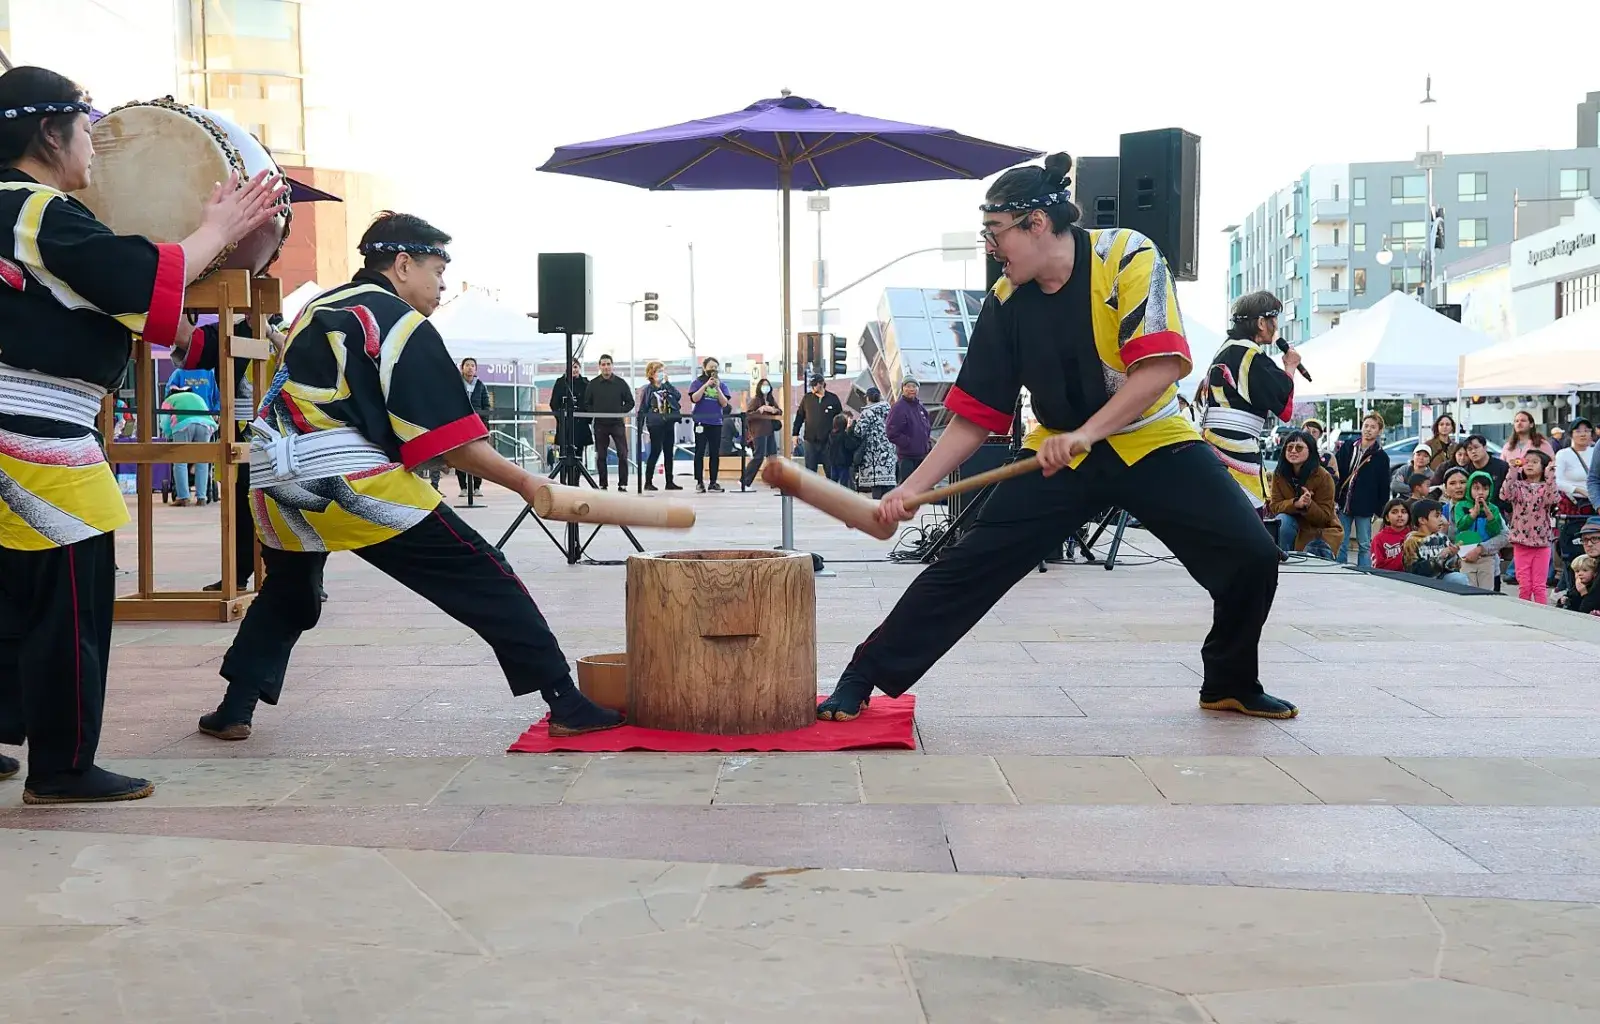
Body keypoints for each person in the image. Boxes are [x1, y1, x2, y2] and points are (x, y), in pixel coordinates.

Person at [817, 152, 1293, 723]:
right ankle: (863, 675)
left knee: (1252, 555)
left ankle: (1230, 680)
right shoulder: (1006, 300)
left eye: (997, 234)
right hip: (1060, 454)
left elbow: (1161, 368)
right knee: (970, 564)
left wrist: (1089, 433)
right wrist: (909, 491)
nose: (992, 249)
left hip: (1153, 439)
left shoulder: (1128, 256)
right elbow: (975, 415)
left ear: (1036, 224)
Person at [189, 212, 623, 741]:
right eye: (436, 271)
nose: (441, 287)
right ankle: (565, 701)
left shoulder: (316, 307)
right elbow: (455, 443)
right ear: (401, 265)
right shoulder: (398, 322)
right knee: (483, 575)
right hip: (346, 482)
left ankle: (236, 707)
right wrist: (528, 483)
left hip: (272, 484)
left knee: (289, 592)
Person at [0, 65, 285, 802]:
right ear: (47, 133)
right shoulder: (37, 212)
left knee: (7, 601)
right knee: (68, 609)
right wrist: (217, 229)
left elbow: (107, 306)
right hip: (34, 438)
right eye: (86, 129)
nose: (96, 146)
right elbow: (134, 279)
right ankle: (61, 768)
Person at [1195, 291, 1298, 511]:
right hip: (1235, 445)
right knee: (1244, 516)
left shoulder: (1227, 349)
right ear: (1261, 323)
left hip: (1218, 440)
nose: (1275, 326)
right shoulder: (1250, 355)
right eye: (1273, 320)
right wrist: (1290, 367)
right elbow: (1284, 407)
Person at [1266, 429, 1341, 559]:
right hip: (1291, 524)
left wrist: (1308, 505)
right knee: (1282, 520)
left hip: (1319, 528)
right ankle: (1284, 561)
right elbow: (1275, 506)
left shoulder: (1324, 477)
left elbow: (1325, 517)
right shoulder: (1279, 474)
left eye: (1299, 447)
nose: (1293, 451)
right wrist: (1296, 503)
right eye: (1289, 447)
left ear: (1310, 451)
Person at [1500, 449, 1559, 604]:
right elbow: (1504, 494)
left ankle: (1542, 619)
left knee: (1539, 586)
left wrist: (1550, 476)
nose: (1529, 464)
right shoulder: (1518, 486)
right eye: (1527, 461)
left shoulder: (1547, 486)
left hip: (1542, 544)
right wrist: (1512, 470)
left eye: (1535, 462)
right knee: (1524, 586)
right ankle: (1524, 617)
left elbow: (1553, 498)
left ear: (1543, 466)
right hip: (1521, 542)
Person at [1333, 411, 1391, 567]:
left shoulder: (1381, 456)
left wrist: (1381, 510)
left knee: (1364, 544)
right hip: (1344, 502)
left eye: (1373, 427)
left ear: (1379, 431)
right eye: (1366, 425)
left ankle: (1364, 572)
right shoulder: (1348, 447)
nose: (1368, 429)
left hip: (1365, 505)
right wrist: (1334, 497)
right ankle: (1340, 570)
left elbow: (1384, 485)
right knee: (1341, 541)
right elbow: (1336, 472)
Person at [583, 353, 634, 491]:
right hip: (600, 424)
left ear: (612, 366)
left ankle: (622, 483)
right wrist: (595, 412)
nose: (606, 367)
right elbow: (586, 403)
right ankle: (603, 483)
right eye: (603, 364)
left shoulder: (621, 383)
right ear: (599, 366)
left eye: (608, 364)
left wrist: (620, 411)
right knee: (601, 455)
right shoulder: (593, 384)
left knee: (623, 453)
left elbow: (631, 402)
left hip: (617, 423)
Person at [1454, 470, 1506, 590]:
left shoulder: (1493, 509)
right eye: (1476, 488)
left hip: (1487, 557)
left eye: (1485, 489)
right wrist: (1473, 514)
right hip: (1466, 554)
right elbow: (1461, 525)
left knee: (1486, 591)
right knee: (1468, 588)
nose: (1481, 492)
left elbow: (1496, 531)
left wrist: (1489, 516)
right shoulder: (1461, 506)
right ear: (1469, 489)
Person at [687, 356, 731, 492]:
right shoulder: (697, 383)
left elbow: (724, 403)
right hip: (701, 422)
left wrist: (717, 388)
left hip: (716, 422)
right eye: (711, 367)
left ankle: (713, 481)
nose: (713, 370)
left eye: (716, 368)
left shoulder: (722, 385)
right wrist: (706, 385)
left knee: (714, 453)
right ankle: (699, 482)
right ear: (704, 368)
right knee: (699, 451)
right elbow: (694, 398)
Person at [1401, 500, 1469, 586]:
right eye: (1437, 516)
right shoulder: (1412, 541)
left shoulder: (1442, 537)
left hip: (1441, 578)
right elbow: (1413, 570)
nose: (1441, 519)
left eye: (1441, 515)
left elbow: (1454, 567)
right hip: (1421, 582)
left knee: (1460, 578)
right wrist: (1440, 556)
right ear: (1422, 520)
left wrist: (1453, 555)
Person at [638, 361, 682, 491]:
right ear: (652, 373)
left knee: (669, 452)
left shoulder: (666, 387)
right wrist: (640, 427)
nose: (661, 373)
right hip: (655, 423)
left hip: (669, 422)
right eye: (658, 371)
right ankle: (648, 481)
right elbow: (643, 407)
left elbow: (677, 396)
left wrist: (668, 384)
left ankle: (669, 481)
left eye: (663, 371)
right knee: (656, 450)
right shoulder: (648, 389)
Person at [850, 387, 899, 499]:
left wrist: (853, 425)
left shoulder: (867, 412)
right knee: (889, 485)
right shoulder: (889, 410)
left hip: (874, 455)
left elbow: (859, 431)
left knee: (877, 486)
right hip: (889, 452)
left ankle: (878, 510)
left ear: (867, 398)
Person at [884, 378, 932, 484]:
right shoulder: (898, 408)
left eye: (914, 386)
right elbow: (891, 432)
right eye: (908, 386)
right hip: (907, 458)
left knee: (921, 487)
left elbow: (927, 427)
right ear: (903, 388)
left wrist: (927, 444)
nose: (911, 389)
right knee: (906, 486)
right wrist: (908, 443)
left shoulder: (920, 407)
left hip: (922, 456)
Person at [455, 357, 491, 496]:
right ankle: (463, 488)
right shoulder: (457, 384)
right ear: (462, 368)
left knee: (478, 456)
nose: (470, 368)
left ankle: (477, 487)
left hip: (477, 425)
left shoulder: (480, 385)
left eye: (472, 366)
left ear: (476, 369)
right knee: (460, 456)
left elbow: (486, 406)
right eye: (467, 365)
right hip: (460, 425)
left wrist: (484, 426)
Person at [792, 375, 842, 472]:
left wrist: (837, 435)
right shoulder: (807, 399)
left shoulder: (833, 398)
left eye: (815, 385)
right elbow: (799, 416)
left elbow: (839, 419)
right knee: (810, 471)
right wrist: (795, 434)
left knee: (830, 470)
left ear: (822, 384)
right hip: (810, 440)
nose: (813, 388)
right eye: (812, 385)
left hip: (828, 441)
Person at [740, 377, 782, 488]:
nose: (765, 387)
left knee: (772, 456)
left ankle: (774, 482)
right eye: (763, 385)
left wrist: (774, 410)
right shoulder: (756, 400)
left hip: (770, 431)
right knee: (758, 456)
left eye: (767, 385)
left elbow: (779, 411)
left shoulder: (771, 400)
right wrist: (760, 410)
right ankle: (745, 480)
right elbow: (748, 416)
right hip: (759, 432)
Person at [549, 356, 589, 470]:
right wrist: (561, 419)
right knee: (564, 456)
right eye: (571, 367)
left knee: (578, 456)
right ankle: (564, 481)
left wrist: (586, 419)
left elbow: (590, 404)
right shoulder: (561, 383)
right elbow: (553, 403)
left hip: (580, 426)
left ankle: (575, 482)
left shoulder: (586, 384)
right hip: (565, 427)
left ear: (579, 368)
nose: (574, 370)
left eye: (576, 367)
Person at [1370, 499, 1412, 572]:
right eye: (1394, 512)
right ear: (1387, 517)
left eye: (1404, 512)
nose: (1400, 515)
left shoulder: (1414, 536)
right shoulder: (1379, 538)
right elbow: (1378, 566)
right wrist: (1403, 559)